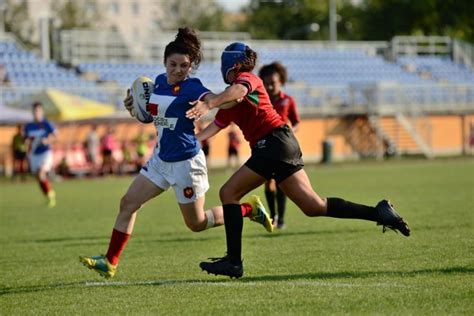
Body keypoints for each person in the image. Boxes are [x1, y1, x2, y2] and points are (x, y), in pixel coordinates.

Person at [186, 42, 411, 279]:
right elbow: (215, 127)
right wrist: (190, 141)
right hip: (280, 144)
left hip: (272, 143)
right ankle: (379, 213)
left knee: (229, 193)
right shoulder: (228, 100)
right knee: (313, 206)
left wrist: (209, 102)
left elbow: (240, 91)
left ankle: (233, 262)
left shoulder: (248, 79)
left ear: (232, 64)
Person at [79, 28, 273, 279]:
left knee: (197, 223)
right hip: (160, 160)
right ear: (164, 63)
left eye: (185, 65)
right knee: (128, 203)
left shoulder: (193, 88)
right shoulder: (157, 83)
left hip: (186, 165)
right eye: (174, 64)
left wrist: (211, 102)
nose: (179, 70)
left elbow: (219, 99)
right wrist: (134, 108)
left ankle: (248, 209)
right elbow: (151, 116)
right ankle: (110, 261)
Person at [259, 62, 300, 229]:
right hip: (265, 146)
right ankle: (273, 216)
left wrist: (290, 130)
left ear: (281, 81)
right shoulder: (262, 100)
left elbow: (297, 122)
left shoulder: (288, 100)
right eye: (266, 82)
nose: (269, 86)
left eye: (273, 83)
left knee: (282, 182)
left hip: (283, 147)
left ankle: (281, 219)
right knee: (268, 182)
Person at [24, 102, 57, 207]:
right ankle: (48, 194)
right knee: (39, 178)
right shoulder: (28, 126)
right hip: (34, 154)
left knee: (41, 173)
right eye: (34, 111)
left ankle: (51, 196)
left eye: (38, 110)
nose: (36, 113)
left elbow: (55, 136)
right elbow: (26, 140)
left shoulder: (47, 124)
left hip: (45, 153)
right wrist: (27, 143)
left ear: (41, 111)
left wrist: (47, 140)